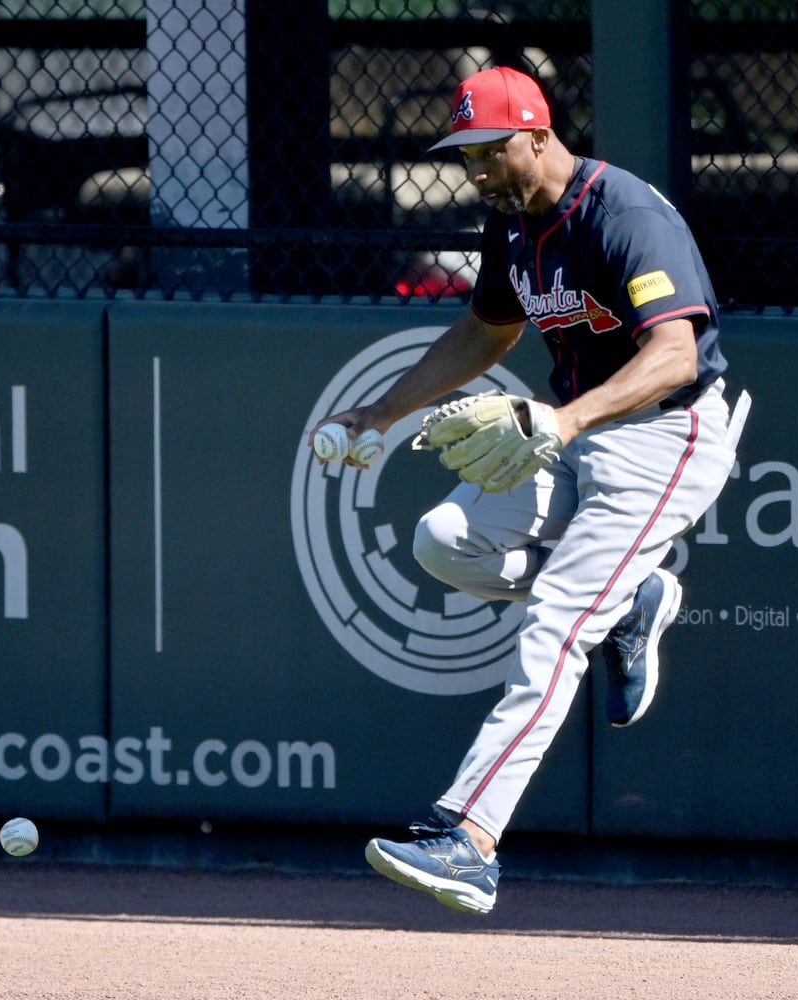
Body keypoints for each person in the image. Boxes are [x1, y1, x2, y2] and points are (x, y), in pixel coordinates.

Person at [311, 65, 744, 914]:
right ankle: (631, 603)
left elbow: (675, 357)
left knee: (554, 626)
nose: (474, 169)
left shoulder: (624, 215)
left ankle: (469, 841)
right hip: (580, 427)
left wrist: (565, 424)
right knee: (442, 539)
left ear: (538, 136)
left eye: (488, 149)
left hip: (665, 434)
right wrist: (383, 411)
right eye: (464, 153)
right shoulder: (509, 224)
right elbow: (487, 327)